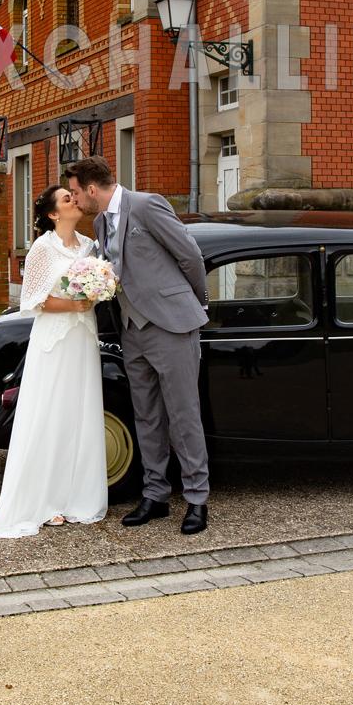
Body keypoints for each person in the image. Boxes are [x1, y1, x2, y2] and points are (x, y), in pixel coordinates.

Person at [65, 156, 210, 536]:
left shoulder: (146, 205)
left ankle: (197, 498)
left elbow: (189, 255)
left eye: (76, 193)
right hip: (131, 329)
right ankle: (155, 495)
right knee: (146, 415)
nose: (75, 200)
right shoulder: (101, 222)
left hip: (171, 325)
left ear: (92, 189)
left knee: (183, 414)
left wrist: (197, 304)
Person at [0, 185, 107, 538]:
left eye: (72, 196)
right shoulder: (43, 248)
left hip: (82, 337)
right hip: (55, 340)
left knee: (79, 411)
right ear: (53, 214)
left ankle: (76, 495)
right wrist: (74, 304)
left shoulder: (89, 246)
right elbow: (33, 300)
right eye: (66, 198)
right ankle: (45, 500)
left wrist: (96, 291)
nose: (73, 200)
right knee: (51, 412)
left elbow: (94, 289)